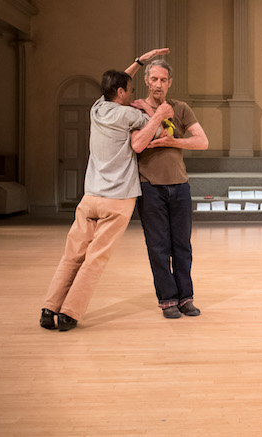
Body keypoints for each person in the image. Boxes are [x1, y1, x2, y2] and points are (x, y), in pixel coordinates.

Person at [40, 51, 173, 331]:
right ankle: (69, 314)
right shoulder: (129, 115)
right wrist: (156, 114)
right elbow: (158, 136)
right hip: (117, 201)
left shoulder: (97, 108)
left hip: (90, 198)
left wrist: (139, 62)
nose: (133, 93)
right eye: (130, 90)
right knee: (95, 259)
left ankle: (49, 307)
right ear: (122, 92)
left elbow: (117, 84)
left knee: (72, 256)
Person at [127, 56, 209, 319]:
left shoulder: (181, 108)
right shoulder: (135, 110)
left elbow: (202, 142)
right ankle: (168, 300)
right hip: (150, 187)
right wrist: (155, 117)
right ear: (146, 81)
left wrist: (171, 142)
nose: (158, 84)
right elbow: (137, 144)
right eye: (154, 79)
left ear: (170, 82)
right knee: (158, 246)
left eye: (163, 80)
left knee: (182, 246)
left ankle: (186, 298)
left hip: (180, 186)